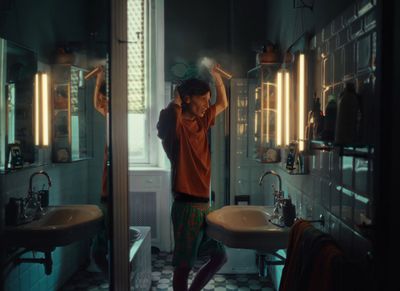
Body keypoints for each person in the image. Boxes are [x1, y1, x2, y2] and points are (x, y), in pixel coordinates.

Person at [157, 65, 228, 291]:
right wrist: (177, 97)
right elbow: (169, 115)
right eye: (203, 99)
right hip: (187, 206)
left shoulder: (201, 121)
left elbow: (223, 103)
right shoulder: (174, 125)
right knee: (183, 267)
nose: (207, 104)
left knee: (219, 257)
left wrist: (217, 78)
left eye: (208, 100)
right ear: (187, 99)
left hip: (203, 206)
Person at [88, 65, 109, 278]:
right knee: (101, 249)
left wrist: (100, 79)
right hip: (109, 195)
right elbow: (97, 103)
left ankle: (120, 280)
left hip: (109, 195)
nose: (101, 103)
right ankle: (122, 278)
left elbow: (97, 103)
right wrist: (100, 78)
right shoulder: (114, 117)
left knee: (98, 251)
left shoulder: (113, 116)